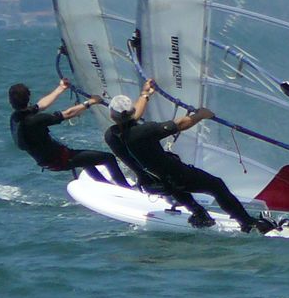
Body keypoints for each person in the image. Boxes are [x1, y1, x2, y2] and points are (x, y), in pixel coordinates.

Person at [106, 80, 273, 232]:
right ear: (131, 112)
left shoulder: (111, 136)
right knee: (216, 185)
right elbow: (179, 124)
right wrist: (200, 115)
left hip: (150, 183)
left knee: (171, 181)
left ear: (112, 116)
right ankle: (247, 223)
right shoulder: (145, 131)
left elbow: (129, 120)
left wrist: (145, 95)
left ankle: (199, 213)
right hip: (175, 176)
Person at [8, 80, 132, 187]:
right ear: (29, 97)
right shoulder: (34, 120)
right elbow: (68, 114)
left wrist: (61, 88)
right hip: (60, 160)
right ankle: (125, 188)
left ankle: (105, 186)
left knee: (85, 160)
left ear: (11, 102)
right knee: (109, 158)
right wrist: (90, 102)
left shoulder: (16, 117)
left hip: (46, 161)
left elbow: (41, 105)